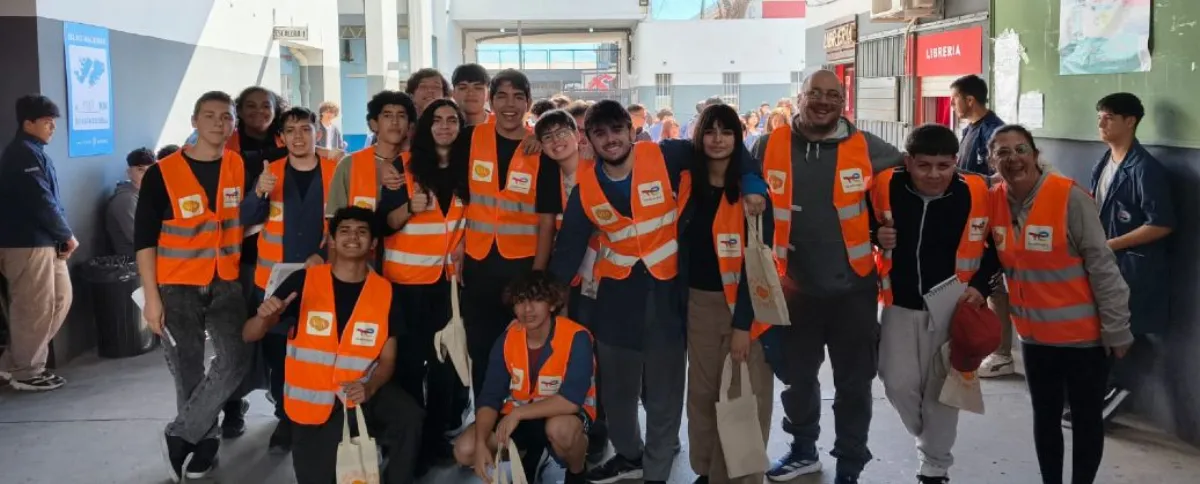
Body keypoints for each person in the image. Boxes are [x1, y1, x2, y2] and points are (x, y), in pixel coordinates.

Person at [550, 100, 767, 484]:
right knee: (617, 398)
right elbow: (568, 249)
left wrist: (752, 182)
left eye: (617, 130)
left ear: (632, 130)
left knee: (666, 397)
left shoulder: (667, 156)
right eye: (600, 133)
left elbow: (727, 151)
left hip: (668, 299)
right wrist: (547, 301)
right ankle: (630, 455)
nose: (611, 139)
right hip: (615, 305)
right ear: (589, 140)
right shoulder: (586, 187)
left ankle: (656, 471)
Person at [753, 69, 903, 484]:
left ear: (842, 102)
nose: (822, 102)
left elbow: (911, 180)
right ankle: (803, 450)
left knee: (854, 384)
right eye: (814, 93)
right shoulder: (767, 145)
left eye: (832, 96)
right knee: (797, 379)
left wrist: (879, 228)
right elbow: (742, 181)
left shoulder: (869, 147)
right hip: (792, 288)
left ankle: (850, 464)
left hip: (853, 290)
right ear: (799, 98)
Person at [987, 124, 1133, 484]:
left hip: (1084, 340)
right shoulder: (993, 202)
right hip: (1034, 339)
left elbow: (1103, 266)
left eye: (1020, 149)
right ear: (992, 161)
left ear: (1035, 155)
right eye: (1002, 152)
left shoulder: (1069, 198)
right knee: (1045, 418)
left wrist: (1117, 328)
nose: (1013, 158)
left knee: (1085, 420)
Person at [242, 206, 424, 484]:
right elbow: (249, 334)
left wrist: (370, 387)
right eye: (345, 231)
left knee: (409, 417)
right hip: (312, 403)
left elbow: (388, 359)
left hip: (359, 392)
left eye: (362, 232)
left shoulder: (384, 291)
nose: (353, 237)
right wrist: (264, 318)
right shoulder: (304, 280)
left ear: (373, 243)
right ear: (332, 240)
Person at [135, 91, 253, 481]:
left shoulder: (238, 165)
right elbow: (144, 239)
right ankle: (204, 444)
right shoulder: (163, 173)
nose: (219, 123)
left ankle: (180, 433)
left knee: (234, 360)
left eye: (226, 117)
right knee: (187, 368)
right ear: (194, 121)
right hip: (176, 285)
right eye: (210, 115)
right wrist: (152, 298)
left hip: (225, 281)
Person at [871, 124, 998, 484]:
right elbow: (860, 224)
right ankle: (929, 438)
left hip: (953, 305)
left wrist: (980, 287)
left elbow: (996, 248)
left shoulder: (976, 191)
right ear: (908, 161)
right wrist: (874, 234)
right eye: (924, 165)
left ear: (956, 162)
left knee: (942, 390)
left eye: (944, 166)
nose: (934, 175)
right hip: (899, 302)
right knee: (896, 382)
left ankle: (935, 467)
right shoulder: (886, 185)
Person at [676, 104, 775, 484]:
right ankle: (706, 470)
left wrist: (743, 326)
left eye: (727, 131)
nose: (718, 140)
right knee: (702, 396)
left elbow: (759, 268)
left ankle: (739, 476)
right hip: (697, 306)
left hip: (744, 309)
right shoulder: (687, 184)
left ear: (738, 137)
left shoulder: (754, 198)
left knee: (742, 397)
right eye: (710, 131)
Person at [457, 69, 564, 400]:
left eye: (518, 97)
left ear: (528, 103)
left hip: (522, 266)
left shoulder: (540, 150)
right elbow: (459, 200)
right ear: (491, 101)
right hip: (477, 262)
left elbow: (547, 219)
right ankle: (486, 416)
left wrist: (538, 274)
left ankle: (521, 419)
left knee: (524, 346)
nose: (510, 105)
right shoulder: (470, 139)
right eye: (501, 96)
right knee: (480, 346)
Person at [377, 98, 471, 471]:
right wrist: (408, 209)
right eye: (437, 120)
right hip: (406, 284)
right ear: (426, 128)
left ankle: (435, 439)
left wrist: (465, 243)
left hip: (447, 285)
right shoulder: (401, 168)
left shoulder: (468, 170)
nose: (445, 126)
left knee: (445, 365)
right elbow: (384, 223)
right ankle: (411, 443)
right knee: (411, 366)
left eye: (452, 120)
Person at [239, 106, 338, 453]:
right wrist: (259, 193)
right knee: (278, 354)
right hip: (274, 282)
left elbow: (349, 221)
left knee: (321, 347)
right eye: (291, 131)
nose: (299, 137)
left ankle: (323, 413)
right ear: (281, 138)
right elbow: (246, 218)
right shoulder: (270, 173)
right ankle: (286, 417)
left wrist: (324, 254)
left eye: (306, 129)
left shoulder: (336, 170)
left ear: (317, 133)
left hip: (323, 277)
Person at [452, 271, 596, 484]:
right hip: (521, 418)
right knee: (465, 449)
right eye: (520, 301)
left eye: (536, 300)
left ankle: (577, 473)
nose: (527, 309)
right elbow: (490, 396)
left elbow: (571, 401)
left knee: (561, 431)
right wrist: (481, 443)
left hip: (562, 415)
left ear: (553, 304)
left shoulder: (577, 337)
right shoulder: (507, 339)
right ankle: (531, 455)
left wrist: (518, 414)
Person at [1086, 92, 1174, 422]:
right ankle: (1096, 395)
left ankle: (1108, 396)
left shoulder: (1145, 169)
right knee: (1097, 331)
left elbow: (1161, 224)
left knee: (1118, 334)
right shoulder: (1103, 162)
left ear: (1130, 121)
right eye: (1099, 117)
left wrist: (1111, 245)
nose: (1101, 123)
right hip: (1104, 263)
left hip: (1131, 267)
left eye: (1109, 117)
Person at [532, 109, 608, 462]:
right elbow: (548, 229)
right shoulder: (549, 177)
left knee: (604, 352)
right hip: (569, 279)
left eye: (562, 132)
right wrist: (543, 283)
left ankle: (603, 423)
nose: (556, 141)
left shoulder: (598, 167)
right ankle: (579, 420)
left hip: (606, 275)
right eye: (547, 137)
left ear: (578, 135)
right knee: (578, 350)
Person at [222, 85, 291, 439]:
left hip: (277, 261)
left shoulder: (288, 142)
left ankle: (284, 409)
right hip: (238, 260)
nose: (258, 112)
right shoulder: (226, 146)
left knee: (277, 338)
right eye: (249, 106)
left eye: (265, 106)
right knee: (236, 339)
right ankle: (232, 406)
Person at [0, 94, 74, 392]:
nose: (52, 127)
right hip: (26, 243)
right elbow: (40, 200)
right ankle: (27, 371)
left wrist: (60, 235)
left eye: (53, 122)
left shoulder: (34, 152)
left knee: (60, 300)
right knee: (33, 308)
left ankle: (12, 363)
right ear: (28, 123)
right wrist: (65, 234)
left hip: (46, 241)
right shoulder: (21, 155)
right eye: (46, 122)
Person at [950, 75, 1015, 379]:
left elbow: (1004, 176)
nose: (952, 104)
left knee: (993, 283)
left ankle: (1002, 353)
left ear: (969, 99)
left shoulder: (996, 133)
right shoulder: (969, 130)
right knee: (979, 282)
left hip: (992, 219)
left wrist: (967, 178)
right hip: (972, 218)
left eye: (954, 99)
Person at [324, 91, 411, 217]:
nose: (395, 122)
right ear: (373, 124)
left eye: (401, 116)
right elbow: (334, 218)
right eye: (387, 116)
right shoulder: (349, 164)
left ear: (409, 126)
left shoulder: (417, 165)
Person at [107, 148, 156, 256]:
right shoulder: (126, 199)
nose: (147, 175)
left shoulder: (148, 194)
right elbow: (141, 239)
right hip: (135, 259)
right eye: (140, 170)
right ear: (129, 172)